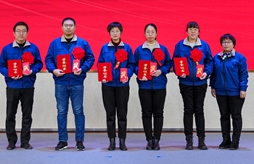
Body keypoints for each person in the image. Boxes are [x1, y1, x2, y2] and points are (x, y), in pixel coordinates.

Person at [45, 17, 95, 151]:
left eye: (71, 25)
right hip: (60, 82)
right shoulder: (55, 43)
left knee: (78, 111)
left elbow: (90, 58)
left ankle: (79, 140)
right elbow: (48, 59)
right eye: (66, 25)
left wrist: (83, 69)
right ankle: (62, 140)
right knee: (61, 111)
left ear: (75, 27)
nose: (68, 27)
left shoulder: (82, 43)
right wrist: (54, 70)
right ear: (62, 27)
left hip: (77, 82)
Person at [0, 21, 43, 150]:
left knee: (27, 115)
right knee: (10, 115)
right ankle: (11, 141)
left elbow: (39, 64)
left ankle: (25, 141)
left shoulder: (33, 48)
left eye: (23, 31)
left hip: (28, 85)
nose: (21, 33)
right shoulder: (7, 49)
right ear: (14, 33)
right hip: (13, 86)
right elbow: (1, 65)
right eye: (18, 31)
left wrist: (32, 71)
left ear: (27, 33)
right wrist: (9, 74)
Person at [173, 21, 214, 150]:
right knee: (188, 110)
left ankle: (201, 140)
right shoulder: (180, 45)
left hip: (200, 83)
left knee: (199, 110)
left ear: (198, 31)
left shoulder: (204, 45)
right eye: (190, 29)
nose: (193, 31)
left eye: (195, 29)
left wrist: (206, 72)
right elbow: (174, 62)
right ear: (186, 31)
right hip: (185, 83)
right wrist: (179, 72)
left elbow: (210, 61)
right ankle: (189, 140)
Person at [97, 21, 136, 151]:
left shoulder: (127, 48)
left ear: (121, 32)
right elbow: (100, 64)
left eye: (117, 31)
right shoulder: (104, 48)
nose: (115, 33)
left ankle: (122, 141)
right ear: (109, 33)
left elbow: (132, 65)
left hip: (122, 86)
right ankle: (112, 141)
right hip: (108, 85)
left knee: (122, 114)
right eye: (112, 31)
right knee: (110, 114)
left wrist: (127, 75)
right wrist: (103, 75)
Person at [133, 23, 172, 151]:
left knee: (158, 113)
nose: (150, 34)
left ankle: (157, 139)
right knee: (146, 113)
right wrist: (140, 73)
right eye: (148, 32)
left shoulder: (163, 49)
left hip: (160, 85)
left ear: (156, 33)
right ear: (144, 34)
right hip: (144, 86)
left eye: (152, 32)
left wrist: (161, 71)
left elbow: (169, 64)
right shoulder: (139, 50)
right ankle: (149, 140)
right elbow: (133, 65)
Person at [210, 33, 248, 150]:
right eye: (224, 42)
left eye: (229, 42)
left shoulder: (240, 58)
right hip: (221, 92)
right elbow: (213, 74)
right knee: (224, 116)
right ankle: (225, 140)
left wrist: (243, 88)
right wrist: (213, 86)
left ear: (233, 44)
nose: (226, 44)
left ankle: (235, 141)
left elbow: (243, 74)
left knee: (236, 116)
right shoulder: (216, 57)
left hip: (235, 92)